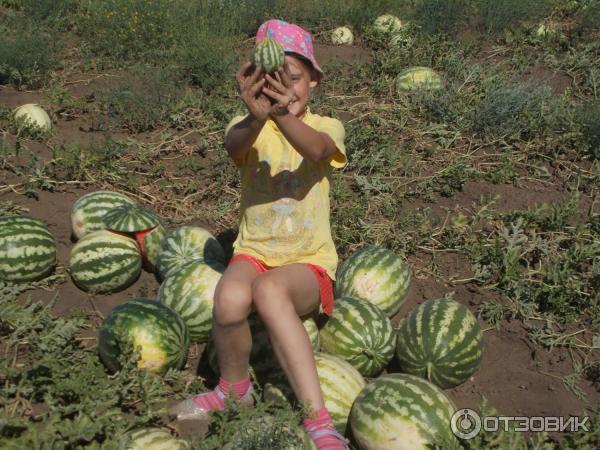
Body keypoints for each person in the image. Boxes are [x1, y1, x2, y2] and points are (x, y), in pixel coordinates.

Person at [170, 19, 348, 449]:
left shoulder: (326, 126)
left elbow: (318, 151)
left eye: (295, 78)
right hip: (254, 252)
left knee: (270, 291)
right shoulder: (249, 125)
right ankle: (234, 388)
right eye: (273, 80)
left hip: (307, 263)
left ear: (314, 82)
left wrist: (283, 114)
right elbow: (234, 147)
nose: (285, 89)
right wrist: (256, 116)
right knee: (229, 298)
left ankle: (317, 419)